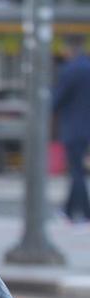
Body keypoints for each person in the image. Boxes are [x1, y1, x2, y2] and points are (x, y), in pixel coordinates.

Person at [54, 39, 90, 223]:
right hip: (86, 128)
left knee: (76, 172)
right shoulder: (88, 67)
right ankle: (68, 210)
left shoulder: (70, 70)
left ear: (70, 49)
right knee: (77, 170)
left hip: (74, 128)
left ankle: (84, 213)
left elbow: (57, 100)